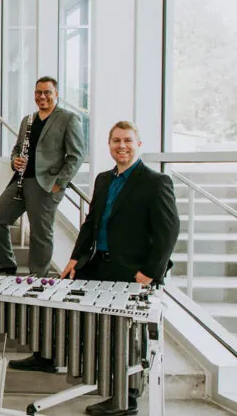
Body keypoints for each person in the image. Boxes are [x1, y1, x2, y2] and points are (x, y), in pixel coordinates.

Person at [36, 121, 174, 416]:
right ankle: (49, 356)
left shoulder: (156, 182)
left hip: (132, 271)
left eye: (127, 141)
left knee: (125, 337)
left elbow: (168, 232)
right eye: (116, 141)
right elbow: (91, 223)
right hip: (99, 264)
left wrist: (149, 273)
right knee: (62, 303)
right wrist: (75, 258)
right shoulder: (102, 180)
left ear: (138, 144)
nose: (121, 146)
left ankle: (126, 399)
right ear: (109, 145)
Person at [0, 76, 85, 277]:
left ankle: (38, 275)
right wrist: (15, 161)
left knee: (40, 232)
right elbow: (17, 148)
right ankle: (5, 264)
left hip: (46, 184)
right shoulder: (28, 120)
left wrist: (59, 183)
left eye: (47, 92)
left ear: (56, 94)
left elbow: (76, 156)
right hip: (21, 181)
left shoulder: (68, 119)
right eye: (38, 92)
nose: (42, 96)